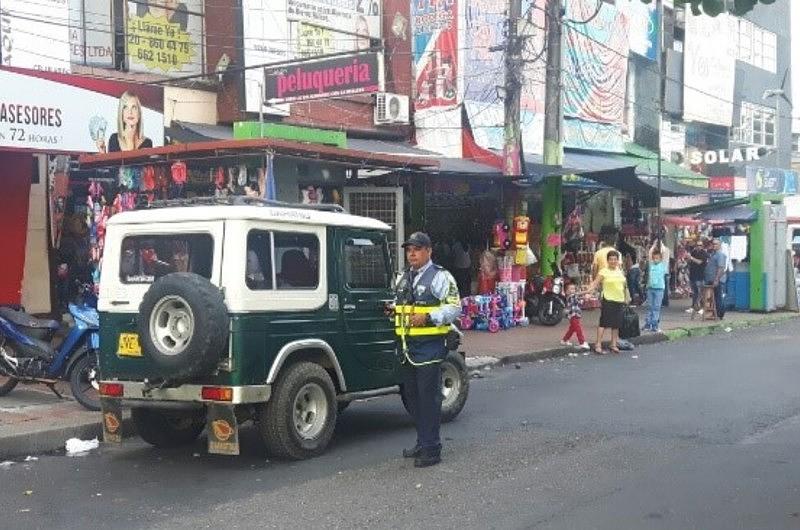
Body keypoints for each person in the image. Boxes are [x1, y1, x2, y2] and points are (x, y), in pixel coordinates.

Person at [394, 232, 460, 468]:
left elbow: (454, 307)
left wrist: (430, 316)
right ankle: (423, 441)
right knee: (412, 399)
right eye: (409, 249)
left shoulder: (440, 277)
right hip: (407, 349)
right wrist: (392, 309)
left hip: (430, 349)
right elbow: (401, 305)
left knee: (429, 400)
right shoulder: (403, 277)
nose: (412, 253)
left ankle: (432, 449)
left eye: (417, 248)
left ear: (429, 251)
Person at [585, 250, 627, 355]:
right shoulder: (603, 271)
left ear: (618, 261)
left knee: (616, 324)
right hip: (608, 300)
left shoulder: (620, 270)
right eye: (611, 259)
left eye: (615, 259)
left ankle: (613, 344)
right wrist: (588, 291)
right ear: (607, 261)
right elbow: (595, 283)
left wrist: (626, 298)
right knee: (603, 322)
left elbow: (624, 286)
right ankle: (598, 344)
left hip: (619, 300)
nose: (613, 261)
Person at [644, 244, 667, 332]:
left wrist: (660, 244)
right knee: (650, 306)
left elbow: (664, 253)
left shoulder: (663, 265)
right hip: (650, 288)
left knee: (656, 307)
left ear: (660, 258)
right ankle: (648, 324)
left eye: (657, 258)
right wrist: (653, 246)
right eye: (654, 258)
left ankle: (655, 325)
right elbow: (649, 254)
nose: (655, 260)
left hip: (659, 289)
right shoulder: (651, 265)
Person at [560, 283, 589, 350]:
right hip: (573, 315)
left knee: (572, 329)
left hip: (576, 314)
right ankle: (582, 342)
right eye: (571, 289)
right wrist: (587, 292)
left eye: (574, 289)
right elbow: (577, 295)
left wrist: (584, 299)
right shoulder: (570, 296)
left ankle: (564, 340)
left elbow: (578, 302)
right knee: (578, 329)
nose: (573, 290)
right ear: (567, 291)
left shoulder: (573, 297)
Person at [704, 238, 728, 319]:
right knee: (715, 297)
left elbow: (721, 268)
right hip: (711, 280)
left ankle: (719, 313)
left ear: (720, 245)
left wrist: (716, 279)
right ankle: (716, 313)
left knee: (718, 298)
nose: (714, 245)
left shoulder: (720, 255)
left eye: (716, 244)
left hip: (717, 280)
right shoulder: (714, 254)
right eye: (713, 244)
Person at [685, 239, 708, 315]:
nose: (699, 246)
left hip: (700, 276)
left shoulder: (704, 253)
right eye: (697, 245)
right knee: (695, 292)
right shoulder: (694, 252)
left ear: (702, 246)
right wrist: (688, 258)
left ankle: (702, 307)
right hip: (693, 275)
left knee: (701, 292)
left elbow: (700, 262)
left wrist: (691, 258)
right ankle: (693, 307)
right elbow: (690, 262)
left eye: (700, 245)